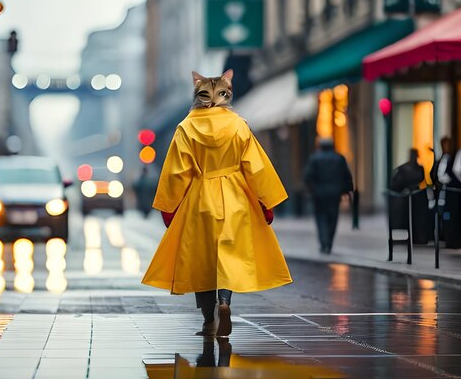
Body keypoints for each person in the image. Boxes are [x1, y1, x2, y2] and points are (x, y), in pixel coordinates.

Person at [142, 70, 292, 338]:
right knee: (229, 258)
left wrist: (169, 206)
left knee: (202, 261)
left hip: (199, 198)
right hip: (236, 198)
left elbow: (177, 172)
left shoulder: (186, 128)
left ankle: (208, 321)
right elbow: (255, 166)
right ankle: (225, 303)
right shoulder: (238, 125)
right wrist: (266, 201)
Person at [303, 138, 353, 254]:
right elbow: (346, 175)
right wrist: (347, 191)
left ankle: (324, 241)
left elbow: (307, 177)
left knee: (321, 218)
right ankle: (329, 241)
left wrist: (311, 189)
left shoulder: (314, 159)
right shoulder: (339, 158)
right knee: (333, 217)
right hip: (335, 193)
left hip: (319, 194)